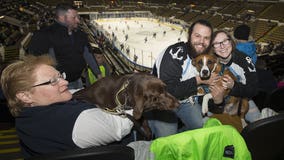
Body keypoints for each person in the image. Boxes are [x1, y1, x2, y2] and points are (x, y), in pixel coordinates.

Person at [0, 55, 133, 158]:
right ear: (25, 96)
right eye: (53, 81)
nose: (65, 82)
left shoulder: (25, 117)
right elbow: (120, 126)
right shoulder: (76, 121)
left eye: (60, 76)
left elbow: (77, 93)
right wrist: (135, 94)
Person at [149, 19, 219, 138]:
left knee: (198, 127)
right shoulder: (175, 53)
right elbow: (167, 91)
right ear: (189, 35)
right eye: (197, 36)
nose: (202, 41)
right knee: (169, 140)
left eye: (206, 38)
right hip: (161, 101)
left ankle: (183, 141)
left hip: (185, 100)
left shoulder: (203, 57)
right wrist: (200, 80)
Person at [27, 3, 102, 90]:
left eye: (78, 17)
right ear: (62, 18)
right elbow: (37, 61)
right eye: (74, 17)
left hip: (78, 81)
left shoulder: (80, 34)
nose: (78, 20)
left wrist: (98, 74)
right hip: (57, 85)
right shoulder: (45, 35)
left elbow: (88, 54)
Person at [211, 30, 261, 123]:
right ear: (212, 48)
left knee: (260, 125)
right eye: (217, 43)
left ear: (231, 41)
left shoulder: (244, 60)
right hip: (217, 101)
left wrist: (234, 86)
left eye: (225, 41)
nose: (222, 46)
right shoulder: (209, 62)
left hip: (242, 98)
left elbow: (254, 90)